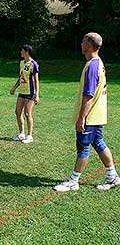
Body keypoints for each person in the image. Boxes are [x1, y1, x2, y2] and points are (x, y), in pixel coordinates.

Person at [54, 32, 119, 192]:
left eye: (83, 41)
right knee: (98, 143)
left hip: (90, 117)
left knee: (83, 147)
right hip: (97, 115)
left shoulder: (92, 65)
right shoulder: (97, 63)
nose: (81, 44)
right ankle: (113, 176)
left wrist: (81, 118)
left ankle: (74, 181)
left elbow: (88, 95)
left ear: (89, 45)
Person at [10, 45, 40, 143]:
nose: (20, 52)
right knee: (17, 112)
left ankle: (30, 136)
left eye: (22, 51)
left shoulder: (33, 64)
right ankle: (21, 134)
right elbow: (21, 78)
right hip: (22, 92)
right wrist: (14, 88)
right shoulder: (21, 63)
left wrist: (37, 94)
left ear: (27, 52)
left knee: (27, 113)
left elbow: (36, 80)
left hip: (30, 93)